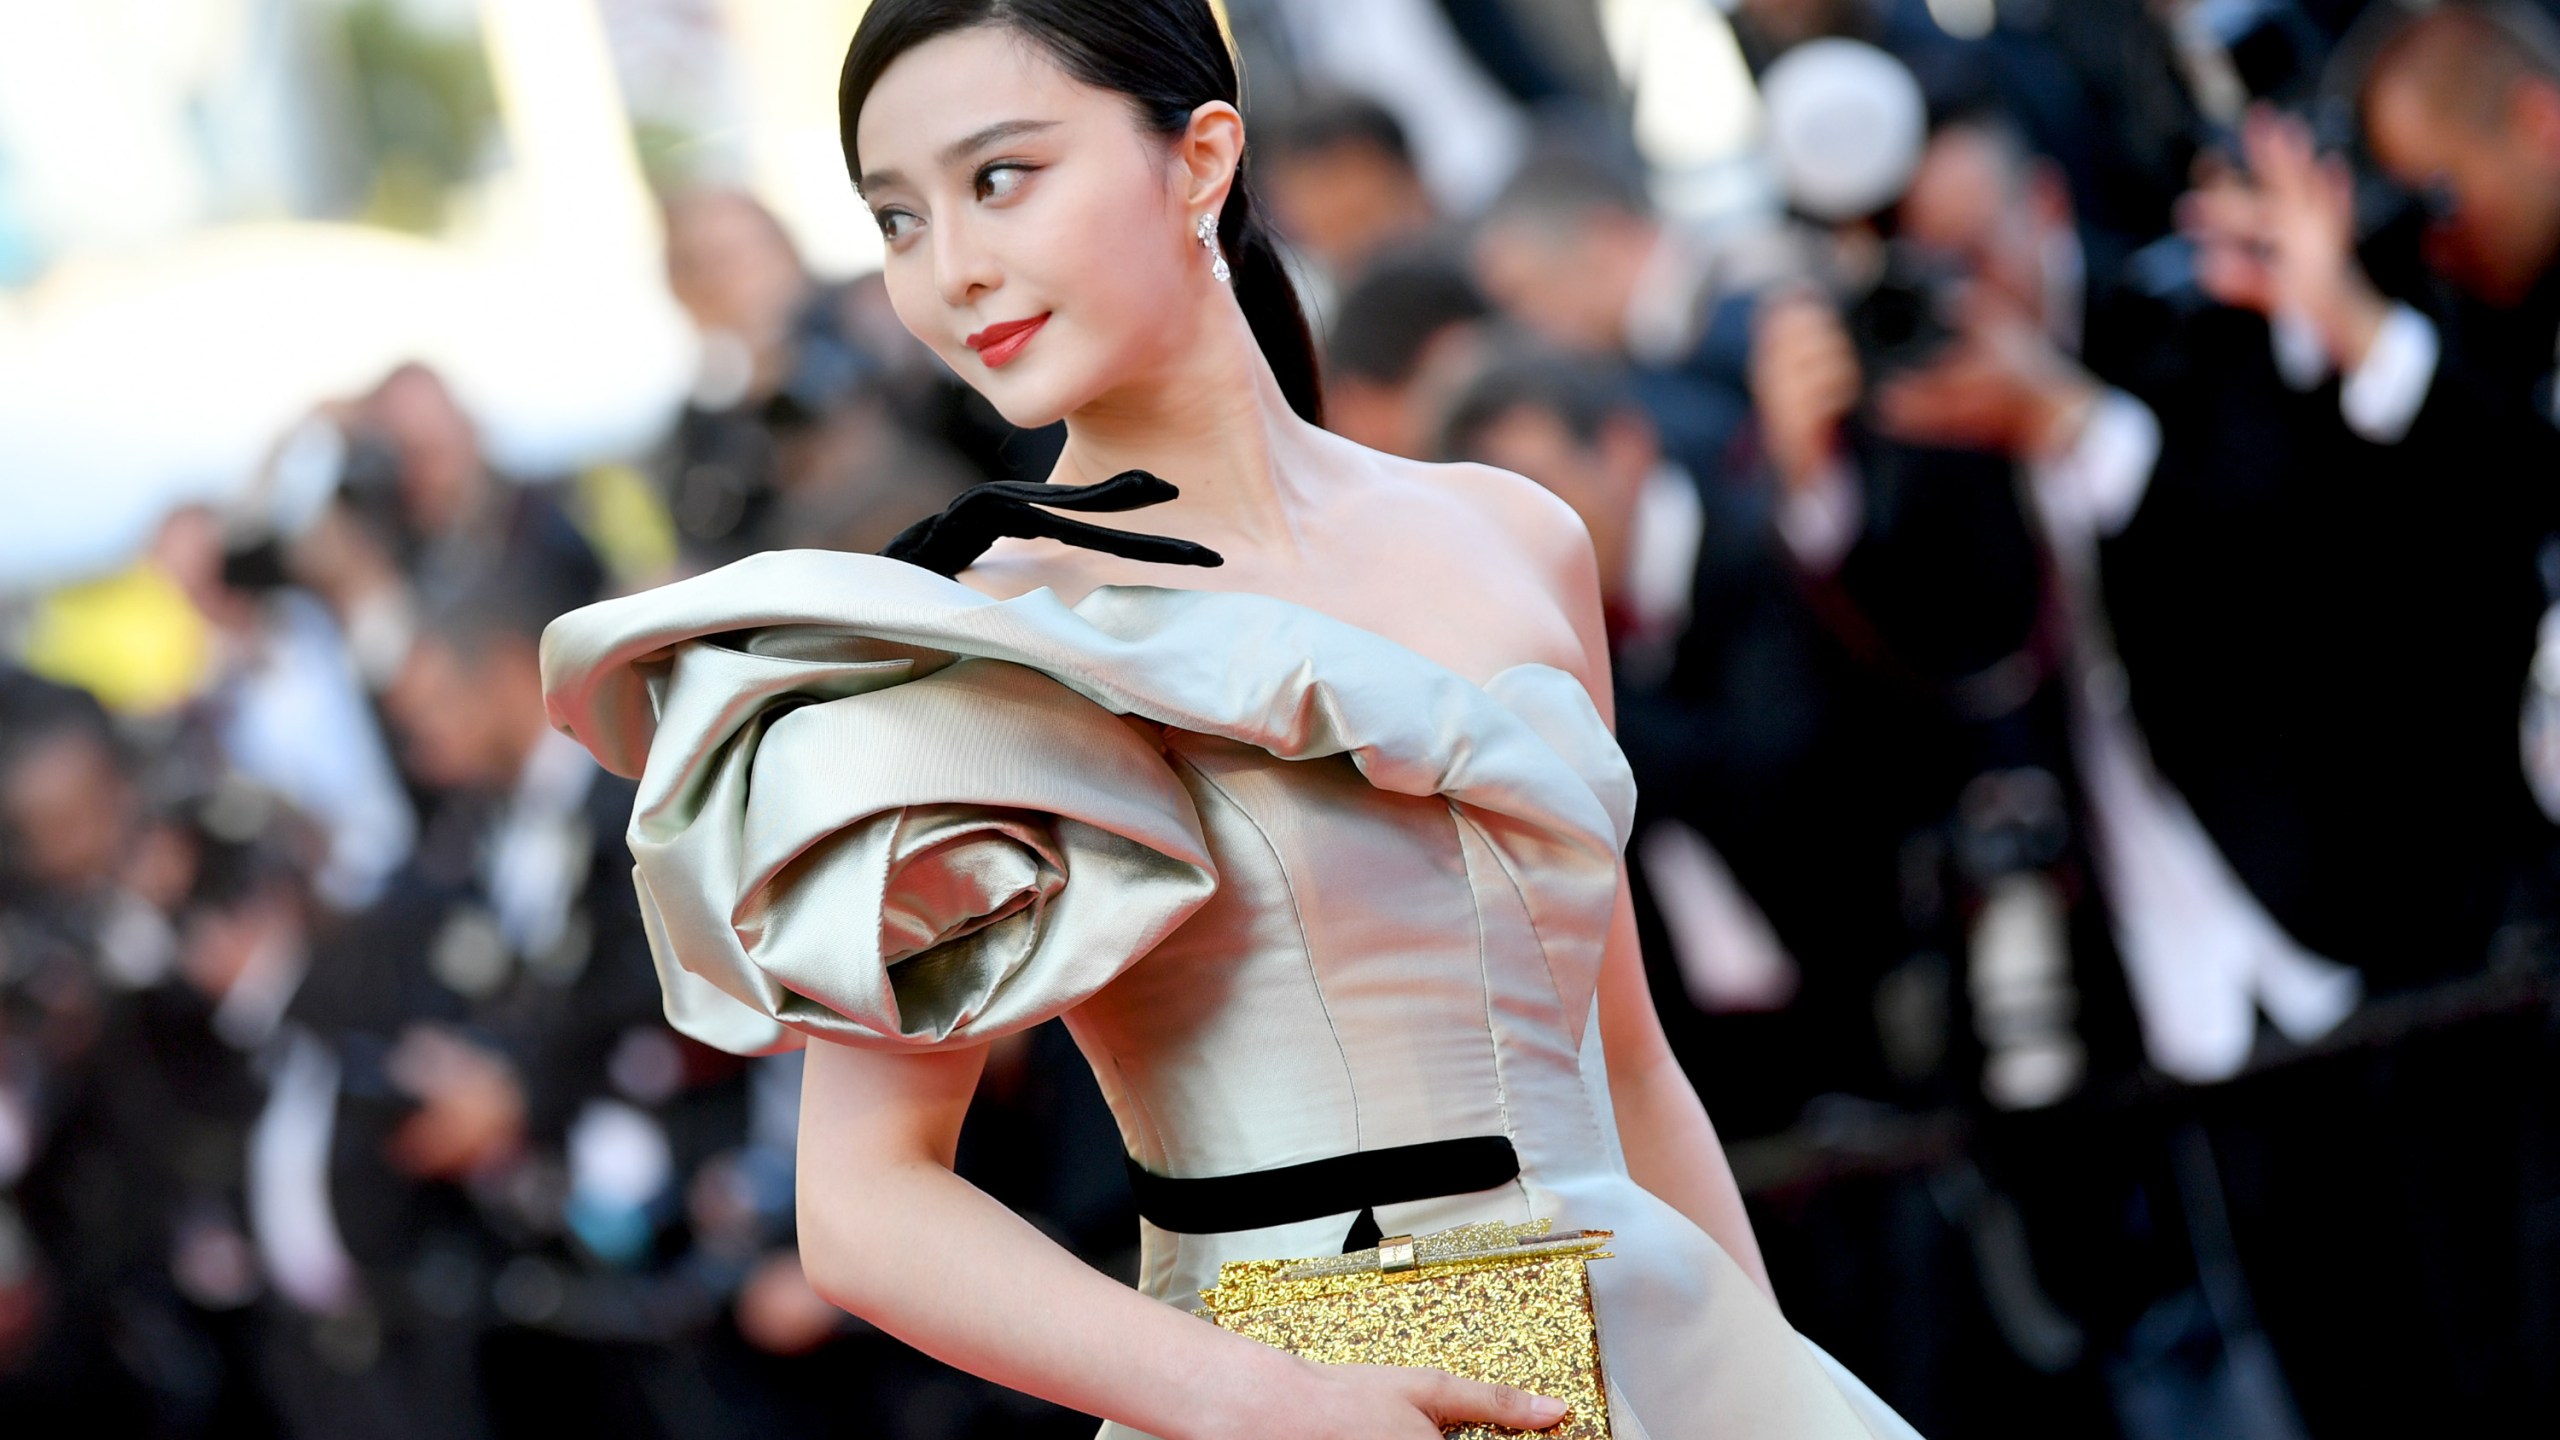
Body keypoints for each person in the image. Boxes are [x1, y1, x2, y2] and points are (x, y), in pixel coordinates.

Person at [541, 2, 1924, 1437]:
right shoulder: (971, 647)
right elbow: (863, 1204)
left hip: (1662, 1358)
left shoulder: (1518, 538)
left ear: (1199, 159)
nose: (951, 269)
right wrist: (1256, 1400)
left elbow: (1626, 1063)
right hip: (1300, 1385)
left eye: (1000, 178)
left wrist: (1762, 1380)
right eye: (897, 219)